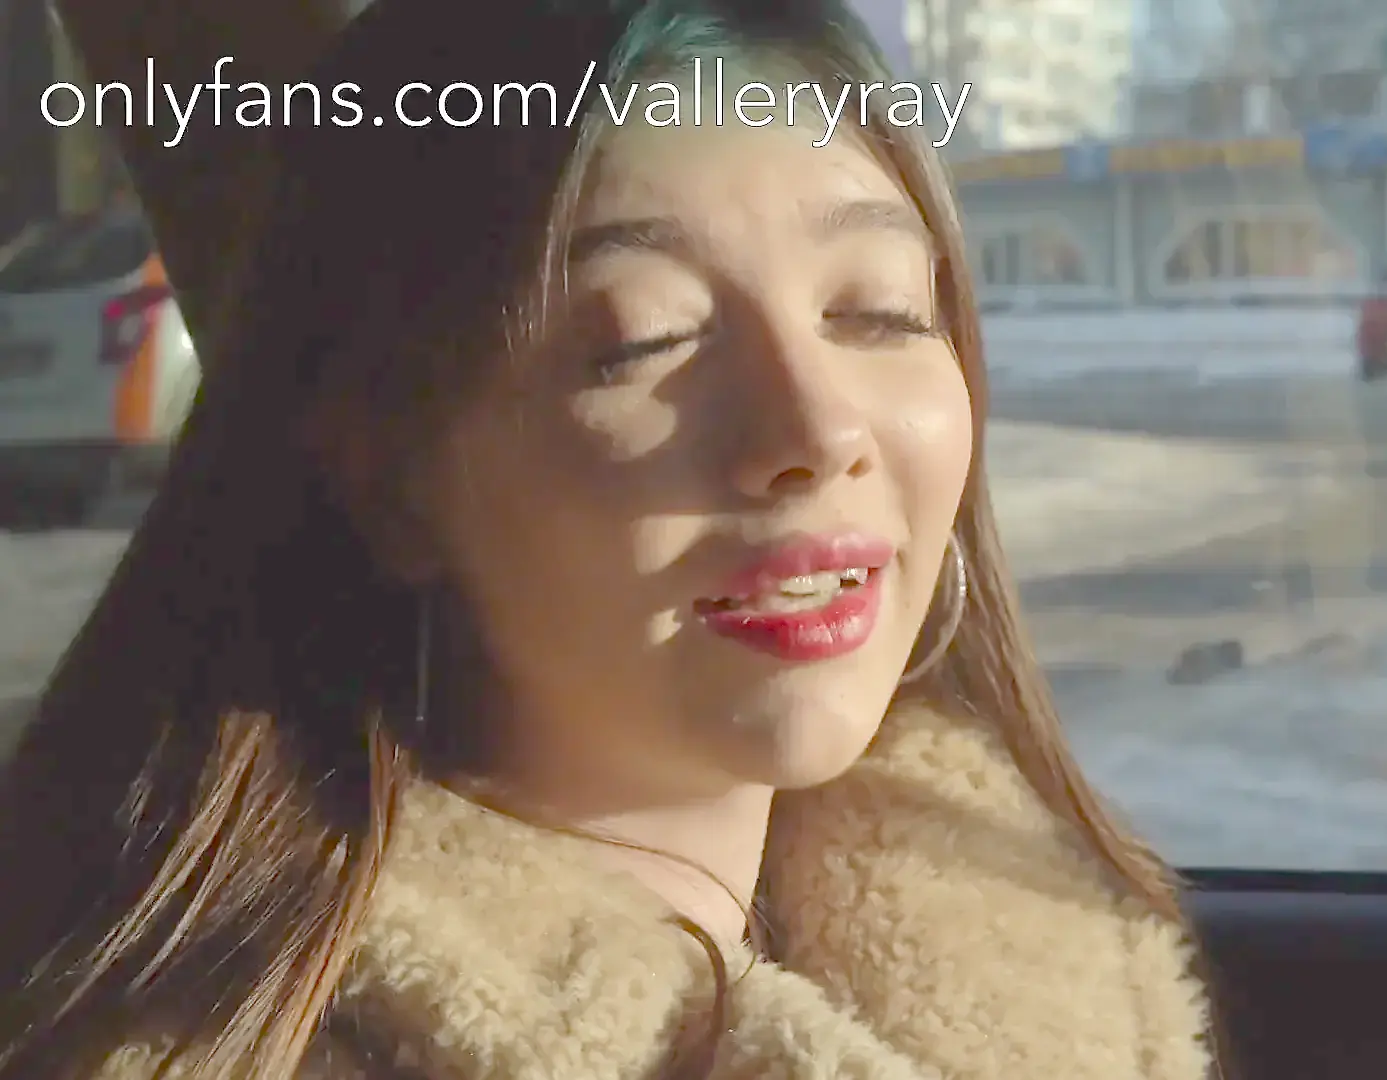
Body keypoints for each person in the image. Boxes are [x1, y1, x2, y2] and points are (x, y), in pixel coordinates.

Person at [0, 1, 1216, 1077]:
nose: (815, 430)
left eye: (879, 310)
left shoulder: (1045, 964)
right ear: (390, 479)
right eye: (644, 341)